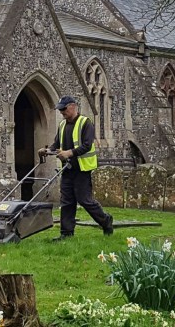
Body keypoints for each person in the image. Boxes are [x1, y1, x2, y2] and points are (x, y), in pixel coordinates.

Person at [38, 95, 113, 241]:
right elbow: (56, 144)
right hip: (67, 169)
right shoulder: (62, 125)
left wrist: (69, 152)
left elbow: (86, 145)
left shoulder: (86, 123)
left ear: (73, 106)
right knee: (66, 201)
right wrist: (47, 150)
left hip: (82, 169)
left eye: (64, 109)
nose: (62, 113)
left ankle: (105, 221)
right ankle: (66, 233)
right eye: (60, 110)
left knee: (85, 200)